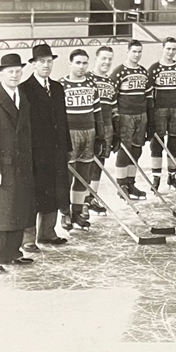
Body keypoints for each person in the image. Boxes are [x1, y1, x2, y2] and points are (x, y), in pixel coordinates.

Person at [0, 53, 36, 274]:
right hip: (1, 166)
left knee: (17, 208)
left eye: (18, 71)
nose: (15, 75)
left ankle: (13, 253)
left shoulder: (22, 97)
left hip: (21, 164)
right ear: (1, 73)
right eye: (10, 71)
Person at [18, 43, 71, 252]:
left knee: (55, 190)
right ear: (33, 64)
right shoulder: (24, 89)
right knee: (34, 194)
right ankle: (28, 239)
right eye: (41, 62)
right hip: (34, 152)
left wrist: (67, 146)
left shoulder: (57, 88)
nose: (46, 65)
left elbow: (63, 120)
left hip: (56, 151)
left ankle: (47, 232)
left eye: (49, 61)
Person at [60, 49, 106, 230]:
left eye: (85, 63)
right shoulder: (61, 85)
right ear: (70, 63)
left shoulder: (91, 84)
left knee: (84, 175)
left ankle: (78, 212)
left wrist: (100, 136)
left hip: (89, 133)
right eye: (78, 63)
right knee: (67, 176)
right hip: (70, 134)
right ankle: (65, 214)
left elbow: (97, 112)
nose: (81, 67)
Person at [147, 37, 176, 191]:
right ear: (163, 48)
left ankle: (172, 177)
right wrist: (150, 116)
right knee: (157, 143)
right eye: (168, 49)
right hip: (159, 109)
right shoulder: (154, 69)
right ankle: (156, 177)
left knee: (174, 143)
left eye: (173, 49)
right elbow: (149, 95)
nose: (171, 52)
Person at [110, 39, 150, 200]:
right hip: (125, 115)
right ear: (127, 52)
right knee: (124, 150)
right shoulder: (119, 71)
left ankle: (130, 182)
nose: (137, 55)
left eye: (139, 51)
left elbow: (148, 95)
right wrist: (116, 119)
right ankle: (121, 185)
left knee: (137, 149)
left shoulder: (143, 71)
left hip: (141, 114)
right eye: (134, 51)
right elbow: (112, 96)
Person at [85, 46, 117, 215]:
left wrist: (116, 130)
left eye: (110, 59)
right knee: (85, 163)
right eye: (103, 58)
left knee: (100, 162)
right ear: (96, 59)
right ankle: (79, 201)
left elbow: (113, 108)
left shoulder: (111, 82)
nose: (106, 62)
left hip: (106, 127)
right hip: (89, 126)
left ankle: (91, 197)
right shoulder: (87, 78)